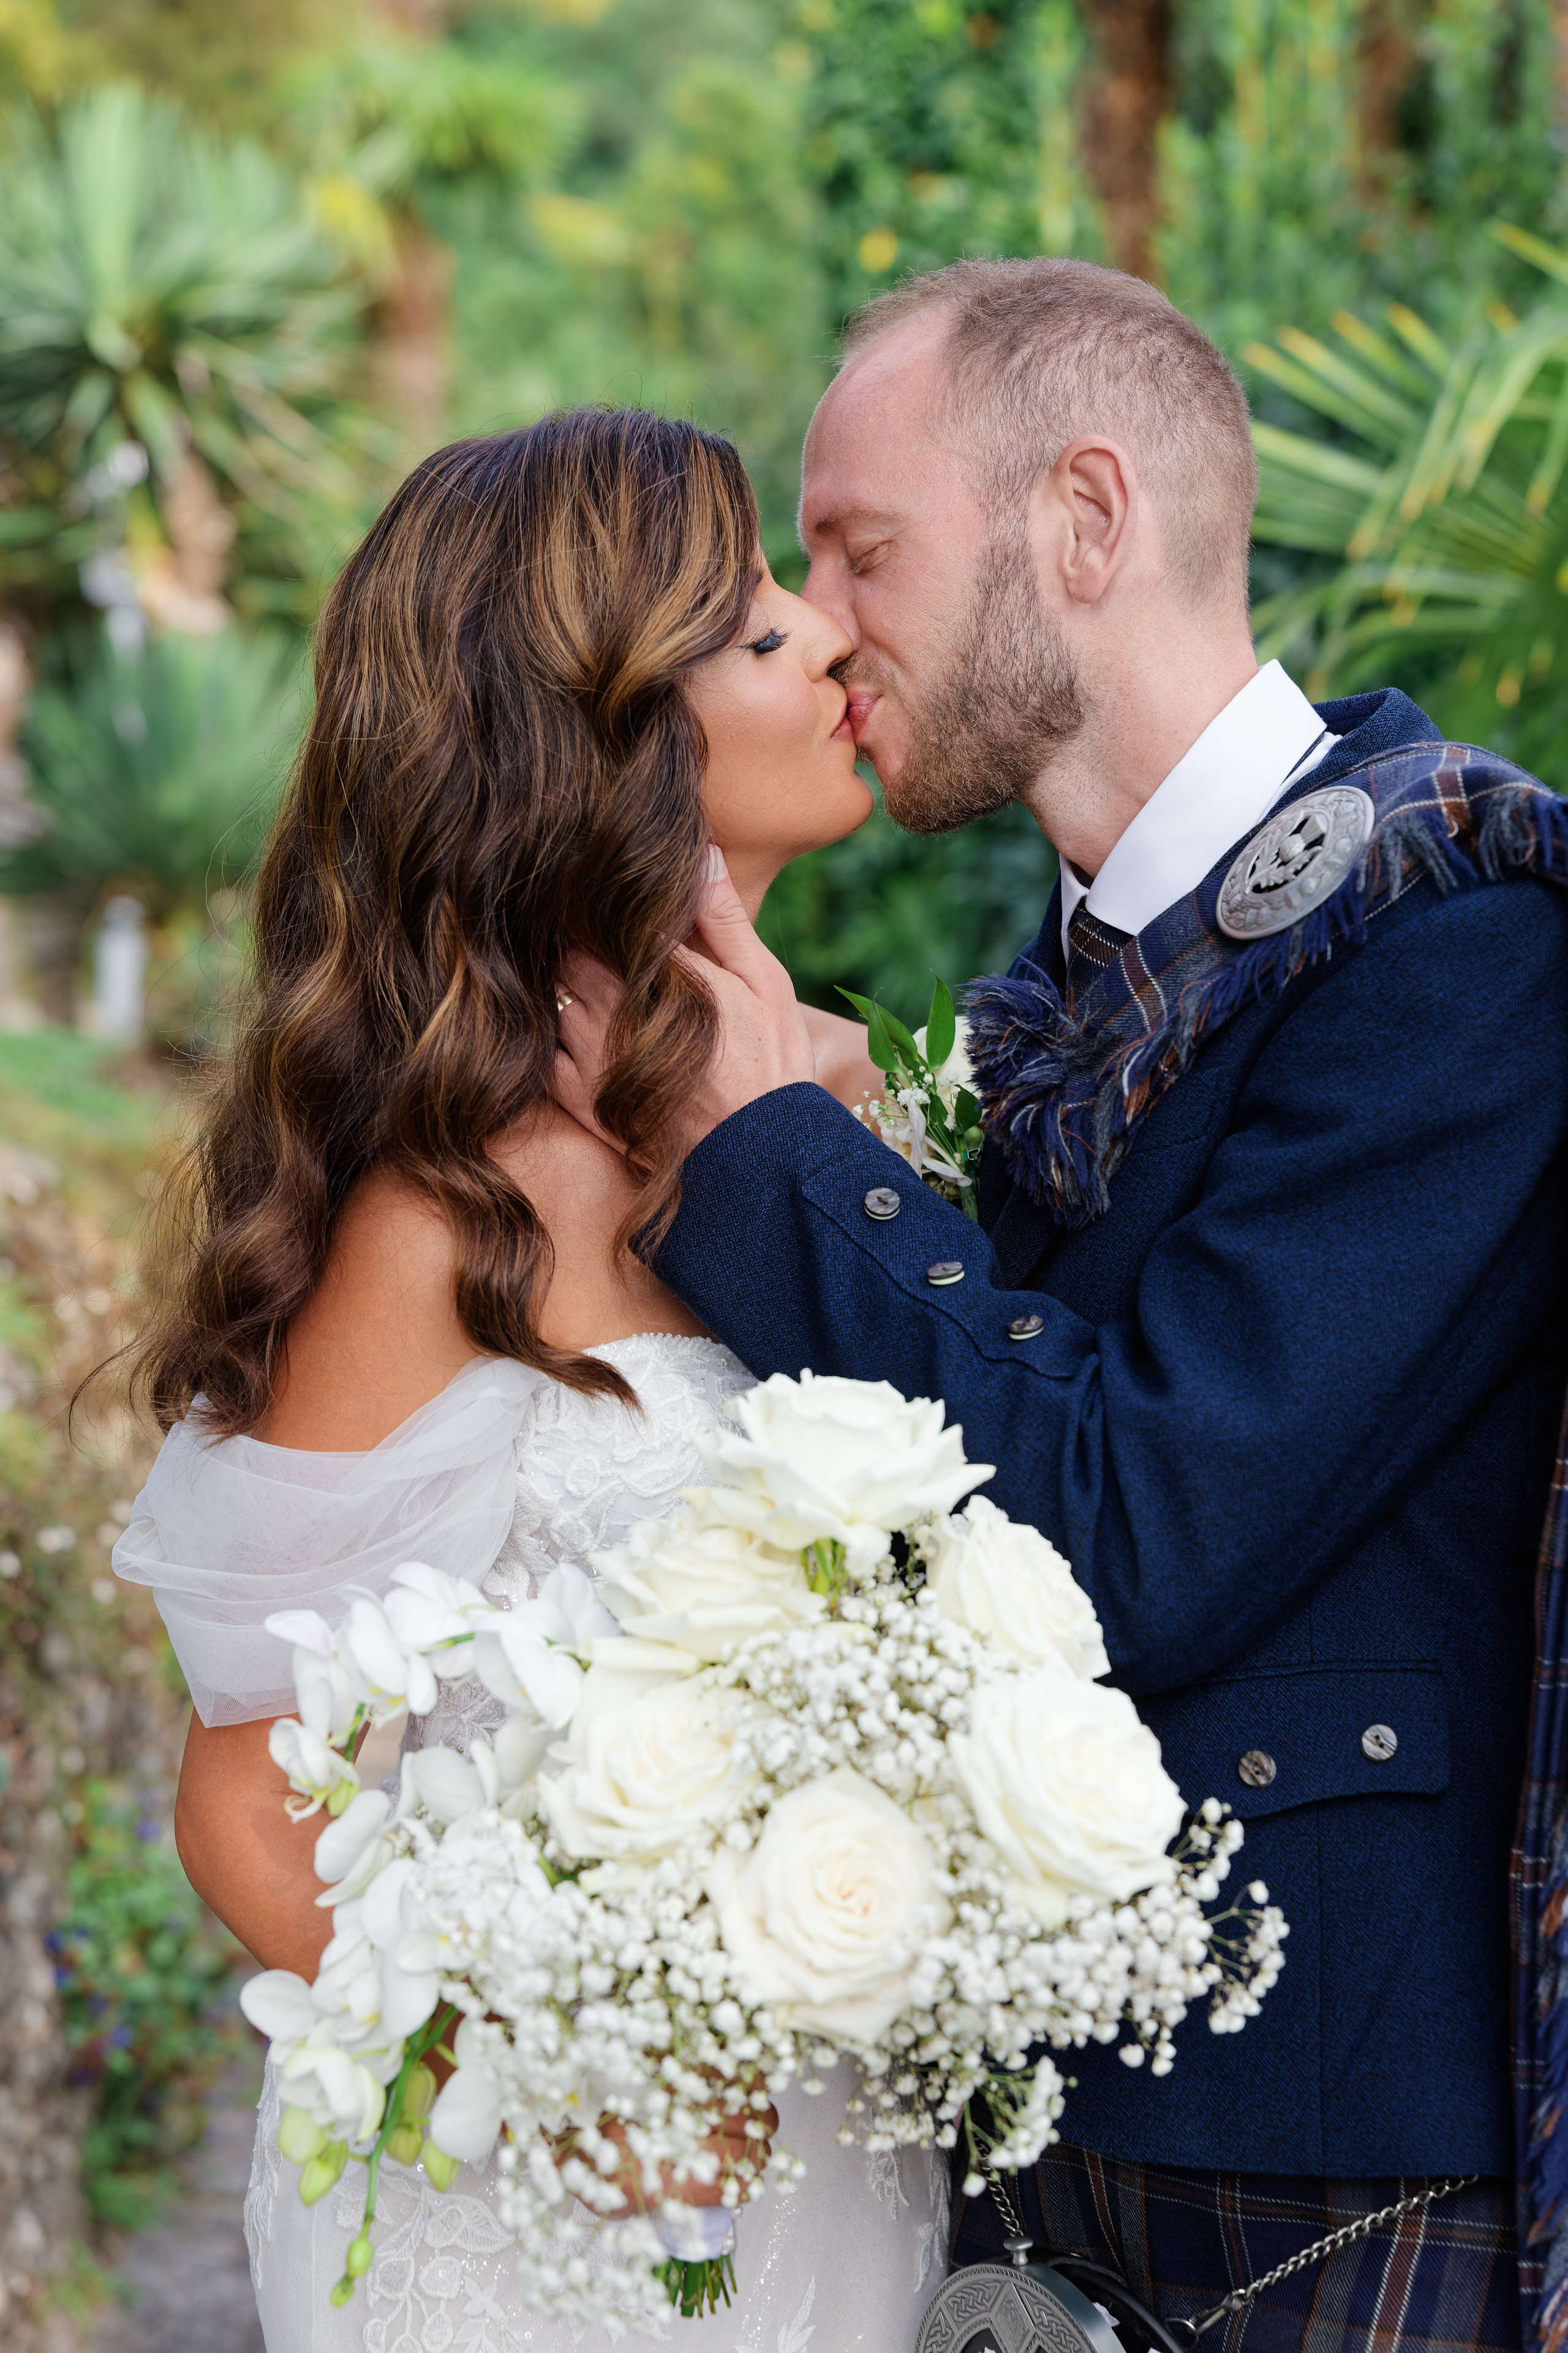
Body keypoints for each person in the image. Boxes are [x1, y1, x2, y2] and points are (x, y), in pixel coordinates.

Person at [551, 259, 1568, 2353]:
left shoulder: (1456, 945)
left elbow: (1139, 1521)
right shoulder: (1094, 978)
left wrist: (776, 1162)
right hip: (1050, 2137)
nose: (822, 620)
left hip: (1331, 2163)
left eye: (864, 545)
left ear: (1083, 521)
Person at [111, 409, 944, 2351]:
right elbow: (247, 1802)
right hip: (549, 2224)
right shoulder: (447, 1207)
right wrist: (554, 2085)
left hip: (843, 2150)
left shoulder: (855, 1101)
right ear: (594, 739)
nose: (829, 639)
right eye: (751, 635)